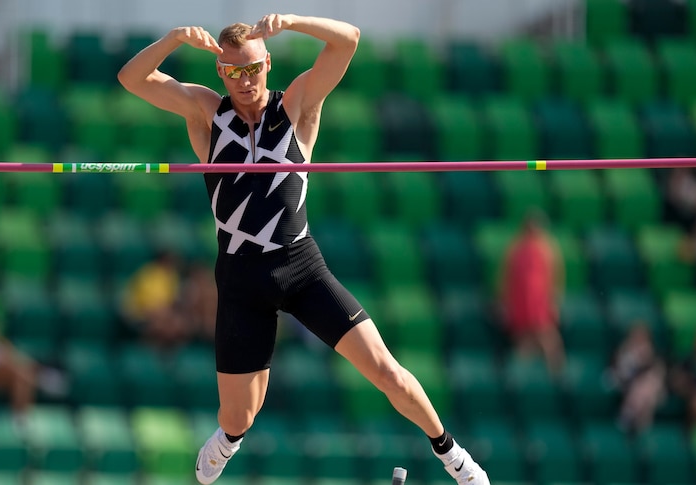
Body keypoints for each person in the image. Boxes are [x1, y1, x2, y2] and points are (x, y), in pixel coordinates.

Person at [118, 13, 489, 485]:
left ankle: (452, 455)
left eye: (252, 68)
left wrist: (293, 21)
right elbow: (131, 79)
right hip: (240, 278)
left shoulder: (295, 105)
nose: (245, 80)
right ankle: (228, 440)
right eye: (234, 72)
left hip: (299, 266)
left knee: (386, 371)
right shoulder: (206, 113)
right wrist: (172, 39)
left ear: (267, 63)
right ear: (220, 72)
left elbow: (348, 42)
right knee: (238, 418)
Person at [499, 211, 565, 376]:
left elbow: (554, 277)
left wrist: (553, 301)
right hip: (521, 302)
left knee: (546, 337)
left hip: (538, 302)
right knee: (524, 340)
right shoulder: (516, 249)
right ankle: (519, 378)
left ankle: (557, 374)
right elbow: (507, 278)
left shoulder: (547, 250)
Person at [606, 322, 666, 434]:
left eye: (642, 336)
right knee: (642, 390)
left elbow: (656, 374)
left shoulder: (651, 354)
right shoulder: (624, 351)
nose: (639, 339)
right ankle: (631, 421)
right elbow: (621, 372)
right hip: (626, 384)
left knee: (647, 389)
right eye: (637, 335)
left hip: (645, 389)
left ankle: (632, 420)